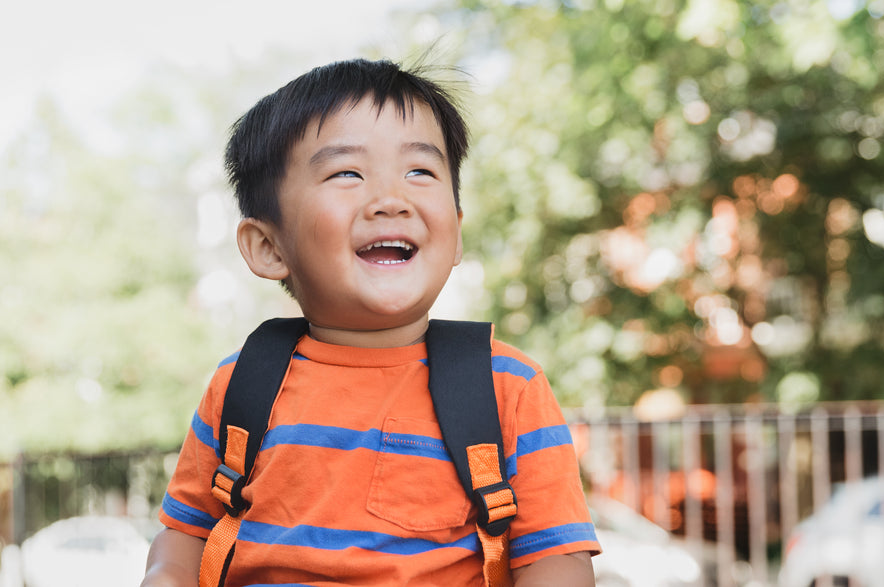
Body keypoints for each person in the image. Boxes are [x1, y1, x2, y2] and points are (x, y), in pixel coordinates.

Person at [141, 58, 600, 586]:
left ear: (456, 231)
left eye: (420, 172)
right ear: (268, 247)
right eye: (347, 174)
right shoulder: (242, 383)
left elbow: (555, 559)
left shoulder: (505, 388)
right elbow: (186, 533)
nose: (390, 200)